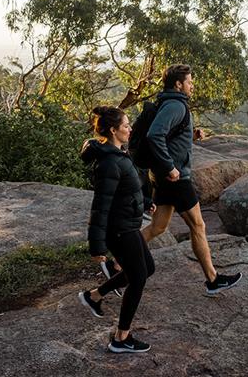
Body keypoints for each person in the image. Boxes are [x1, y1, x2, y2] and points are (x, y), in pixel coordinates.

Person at [141, 64, 242, 295]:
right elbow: (154, 134)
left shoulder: (169, 102)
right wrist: (170, 167)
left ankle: (116, 262)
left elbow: (168, 137)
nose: (192, 85)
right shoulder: (175, 105)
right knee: (198, 225)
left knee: (158, 227)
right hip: (175, 178)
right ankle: (213, 279)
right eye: (189, 81)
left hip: (165, 176)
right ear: (178, 84)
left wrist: (190, 137)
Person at [78, 106, 154, 353]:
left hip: (128, 224)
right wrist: (97, 246)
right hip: (119, 229)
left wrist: (146, 202)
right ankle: (121, 338)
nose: (130, 128)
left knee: (147, 268)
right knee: (139, 277)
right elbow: (100, 207)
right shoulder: (109, 162)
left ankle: (95, 295)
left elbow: (129, 187)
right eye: (126, 125)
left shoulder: (118, 154)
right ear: (113, 130)